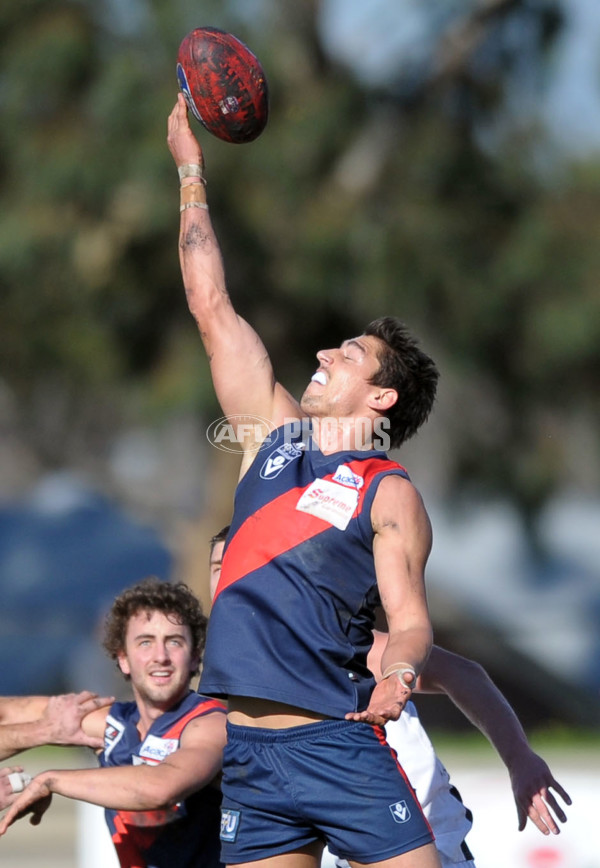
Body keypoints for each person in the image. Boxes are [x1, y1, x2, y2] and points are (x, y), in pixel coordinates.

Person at [168, 90, 442, 868]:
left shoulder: (389, 493)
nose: (324, 355)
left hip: (335, 746)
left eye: (348, 355)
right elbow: (210, 303)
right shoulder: (272, 440)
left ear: (380, 397)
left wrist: (401, 671)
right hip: (250, 758)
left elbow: (412, 618)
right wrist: (191, 171)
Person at [208, 530, 571, 868]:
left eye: (239, 566)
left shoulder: (346, 647)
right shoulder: (229, 665)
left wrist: (519, 759)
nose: (228, 579)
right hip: (335, 844)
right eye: (218, 569)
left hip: (422, 840)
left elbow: (464, 675)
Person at [0, 577, 227, 868]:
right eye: (145, 642)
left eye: (174, 642)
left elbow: (161, 788)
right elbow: (10, 713)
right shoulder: (111, 723)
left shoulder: (210, 724)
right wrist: (42, 731)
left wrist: (51, 780)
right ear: (123, 658)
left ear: (195, 658)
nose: (161, 656)